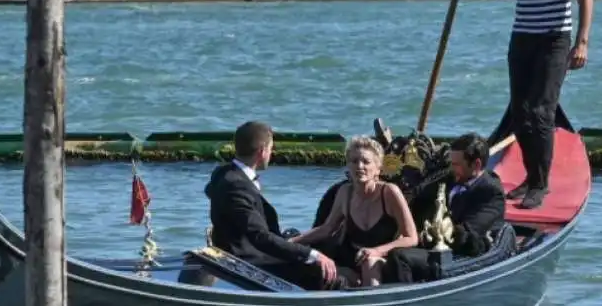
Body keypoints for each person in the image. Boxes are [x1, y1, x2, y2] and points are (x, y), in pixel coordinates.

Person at [450, 0, 593, 210]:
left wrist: (581, 42)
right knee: (520, 112)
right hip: (522, 39)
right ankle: (530, 178)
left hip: (554, 40)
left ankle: (540, 185)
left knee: (541, 112)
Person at [204, 121, 340, 290]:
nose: (271, 153)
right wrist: (312, 255)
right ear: (262, 151)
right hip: (247, 260)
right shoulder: (236, 185)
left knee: (304, 242)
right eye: (270, 149)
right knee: (324, 272)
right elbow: (259, 237)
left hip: (246, 249)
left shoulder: (223, 173)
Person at [289, 136, 419, 286]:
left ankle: (372, 304)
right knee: (315, 265)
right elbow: (327, 229)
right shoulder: (345, 192)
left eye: (366, 162)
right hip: (351, 262)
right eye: (354, 161)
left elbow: (411, 238)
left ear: (378, 168)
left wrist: (376, 251)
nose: (360, 166)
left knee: (369, 262)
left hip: (383, 261)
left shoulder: (389, 192)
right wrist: (292, 242)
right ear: (348, 166)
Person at [383, 133, 506, 284]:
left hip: (463, 252)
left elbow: (466, 233)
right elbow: (416, 194)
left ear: (476, 164)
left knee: (399, 256)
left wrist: (423, 237)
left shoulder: (492, 193)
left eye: (456, 164)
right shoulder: (449, 176)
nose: (452, 168)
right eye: (451, 163)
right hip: (434, 244)